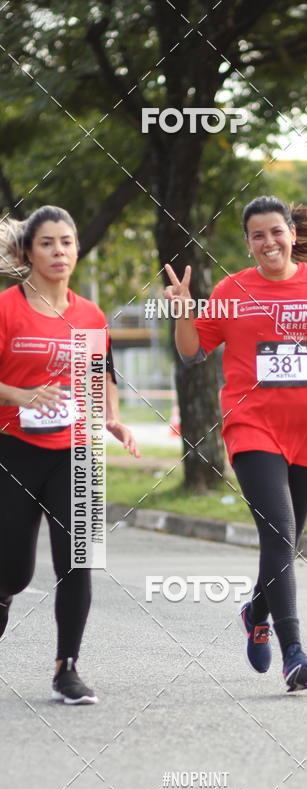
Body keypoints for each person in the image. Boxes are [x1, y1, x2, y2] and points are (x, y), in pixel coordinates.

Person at [167, 196, 307, 692]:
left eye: (276, 232)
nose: (268, 242)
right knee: (278, 533)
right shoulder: (232, 290)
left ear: (292, 234)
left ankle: (254, 609)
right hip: (252, 427)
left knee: (286, 544)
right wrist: (184, 313)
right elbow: (192, 353)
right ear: (248, 244)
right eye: (257, 235)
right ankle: (294, 649)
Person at [0, 205, 139, 704]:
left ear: (77, 249)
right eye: (47, 243)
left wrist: (113, 417)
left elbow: (100, 375)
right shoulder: (6, 309)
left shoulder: (89, 314)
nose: (59, 252)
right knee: (12, 570)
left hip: (75, 450)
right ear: (28, 252)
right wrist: (20, 395)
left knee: (78, 562)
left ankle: (67, 668)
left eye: (67, 242)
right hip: (13, 450)